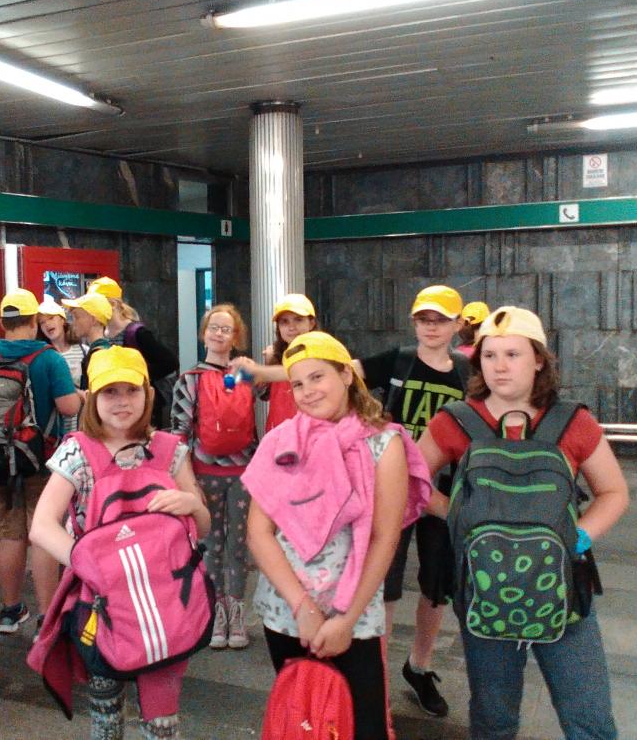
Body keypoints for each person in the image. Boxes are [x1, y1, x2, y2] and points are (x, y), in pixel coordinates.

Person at [418, 306, 629, 740]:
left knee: (589, 718)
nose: (499, 366)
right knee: (493, 719)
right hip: (483, 589)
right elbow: (410, 483)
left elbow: (613, 492)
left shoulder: (572, 422)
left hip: (563, 589)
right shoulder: (456, 421)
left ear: (538, 360)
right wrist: (456, 514)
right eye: (489, 355)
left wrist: (578, 536)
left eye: (513, 354)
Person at [245, 332, 429, 740]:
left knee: (363, 726)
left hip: (355, 616)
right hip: (286, 611)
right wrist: (303, 608)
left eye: (317, 377)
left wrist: (346, 618)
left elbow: (384, 537)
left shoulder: (384, 444)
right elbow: (259, 532)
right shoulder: (279, 441)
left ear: (346, 374)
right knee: (302, 722)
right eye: (297, 383)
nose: (307, 391)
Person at [28, 346, 210, 740]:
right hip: (102, 602)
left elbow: (203, 527)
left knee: (162, 720)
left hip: (165, 601)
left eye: (131, 390)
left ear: (148, 394)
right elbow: (41, 526)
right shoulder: (78, 451)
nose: (122, 401)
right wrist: (90, 564)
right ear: (92, 397)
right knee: (106, 709)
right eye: (110, 392)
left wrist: (194, 505)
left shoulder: (170, 450)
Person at [353, 284, 469, 718]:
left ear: (457, 325)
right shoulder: (398, 361)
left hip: (444, 490)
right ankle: (377, 674)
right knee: (385, 582)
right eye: (424, 319)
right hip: (394, 489)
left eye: (440, 320)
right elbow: (337, 372)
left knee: (437, 587)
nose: (431, 327)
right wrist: (269, 369)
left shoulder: (468, 374)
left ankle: (419, 665)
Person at [0, 289, 81, 637]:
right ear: (33, 322)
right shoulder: (49, 360)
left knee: (9, 535)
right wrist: (82, 396)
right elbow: (68, 407)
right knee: (44, 531)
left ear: (3, 323)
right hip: (41, 461)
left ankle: (10, 611)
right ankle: (47, 616)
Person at [170, 304, 259, 650]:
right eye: (214, 327)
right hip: (204, 474)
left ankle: (234, 612)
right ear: (203, 333)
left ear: (236, 337)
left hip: (242, 474)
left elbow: (278, 388)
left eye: (227, 329)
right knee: (211, 544)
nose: (219, 334)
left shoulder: (248, 375)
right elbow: (179, 434)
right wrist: (185, 481)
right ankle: (215, 611)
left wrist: (267, 360)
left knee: (238, 545)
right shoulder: (189, 380)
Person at [88, 277, 179, 427]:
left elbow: (170, 362)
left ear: (113, 304)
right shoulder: (101, 333)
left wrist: (136, 374)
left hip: (142, 406)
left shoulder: (137, 333)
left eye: (96, 306)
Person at [231, 293, 318, 433]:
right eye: (284, 322)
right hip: (278, 436)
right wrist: (250, 376)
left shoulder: (324, 353)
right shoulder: (276, 356)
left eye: (298, 320)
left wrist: (261, 371)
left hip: (312, 437)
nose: (291, 327)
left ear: (311, 323)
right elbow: (264, 395)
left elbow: (304, 373)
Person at [38, 300, 85, 436]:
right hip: (55, 429)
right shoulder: (44, 357)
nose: (47, 324)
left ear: (62, 320)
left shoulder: (83, 351)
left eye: (51, 318)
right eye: (42, 322)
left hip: (81, 425)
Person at [63, 291, 113, 391]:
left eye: (77, 317)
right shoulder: (101, 350)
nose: (73, 323)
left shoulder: (99, 354)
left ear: (93, 320)